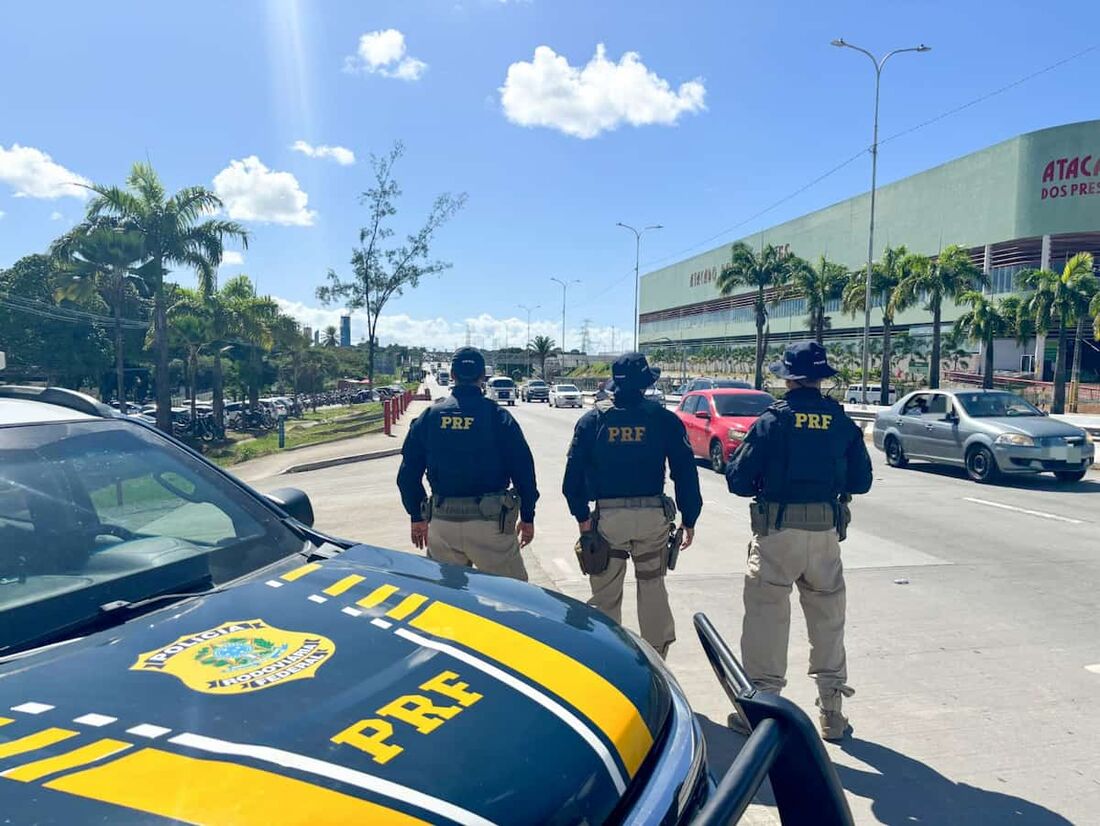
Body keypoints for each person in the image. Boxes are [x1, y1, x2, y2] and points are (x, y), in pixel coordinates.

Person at [725, 340, 873, 741]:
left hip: (777, 533)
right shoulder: (841, 422)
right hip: (825, 534)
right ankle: (832, 714)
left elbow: (738, 481)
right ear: (822, 378)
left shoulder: (773, 421)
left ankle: (762, 712)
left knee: (767, 620)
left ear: (788, 377)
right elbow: (862, 481)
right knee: (828, 621)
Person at [562, 352, 702, 658]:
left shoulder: (593, 420)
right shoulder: (664, 419)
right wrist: (689, 518)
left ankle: (608, 662)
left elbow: (571, 481)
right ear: (646, 384)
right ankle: (657, 661)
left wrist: (584, 522)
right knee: (652, 588)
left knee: (606, 595)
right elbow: (685, 473)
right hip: (652, 517)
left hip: (609, 518)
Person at [397, 347, 538, 580]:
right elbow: (524, 471)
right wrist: (528, 516)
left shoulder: (430, 416)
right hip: (491, 525)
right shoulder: (498, 417)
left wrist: (416, 516)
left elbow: (407, 475)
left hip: (443, 524)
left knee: (448, 605)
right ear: (483, 377)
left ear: (452, 375)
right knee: (512, 604)